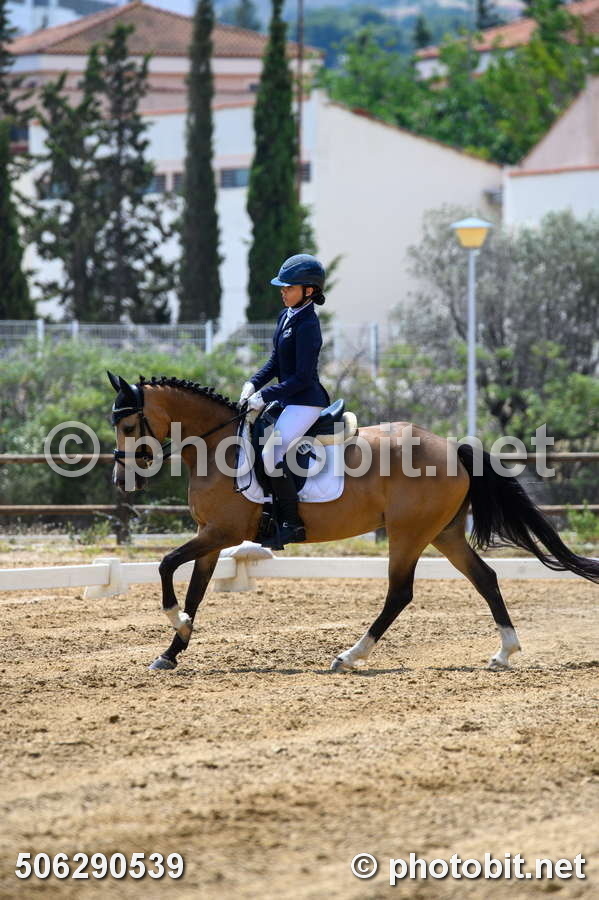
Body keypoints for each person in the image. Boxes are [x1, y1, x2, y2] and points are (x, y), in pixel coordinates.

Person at [239, 253, 330, 545]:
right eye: (283, 286)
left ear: (309, 290)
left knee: (272, 453)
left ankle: (291, 523)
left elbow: (302, 377)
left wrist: (266, 395)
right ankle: (266, 511)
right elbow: (276, 362)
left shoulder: (308, 324)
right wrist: (253, 384)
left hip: (305, 401)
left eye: (289, 287)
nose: (283, 291)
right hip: (287, 399)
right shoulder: (286, 316)